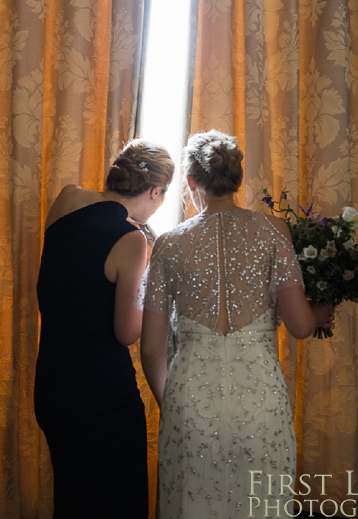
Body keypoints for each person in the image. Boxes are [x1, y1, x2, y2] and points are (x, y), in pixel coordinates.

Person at [141, 130, 334, 519]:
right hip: (260, 397)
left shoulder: (169, 245)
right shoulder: (273, 232)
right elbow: (300, 326)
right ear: (238, 180)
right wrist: (322, 309)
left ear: (191, 182)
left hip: (190, 397)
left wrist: (173, 402)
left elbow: (150, 347)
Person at [34, 139, 174, 519]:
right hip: (101, 401)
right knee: (117, 505)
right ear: (155, 191)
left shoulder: (67, 198)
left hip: (52, 390)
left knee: (72, 501)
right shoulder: (131, 241)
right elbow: (127, 332)